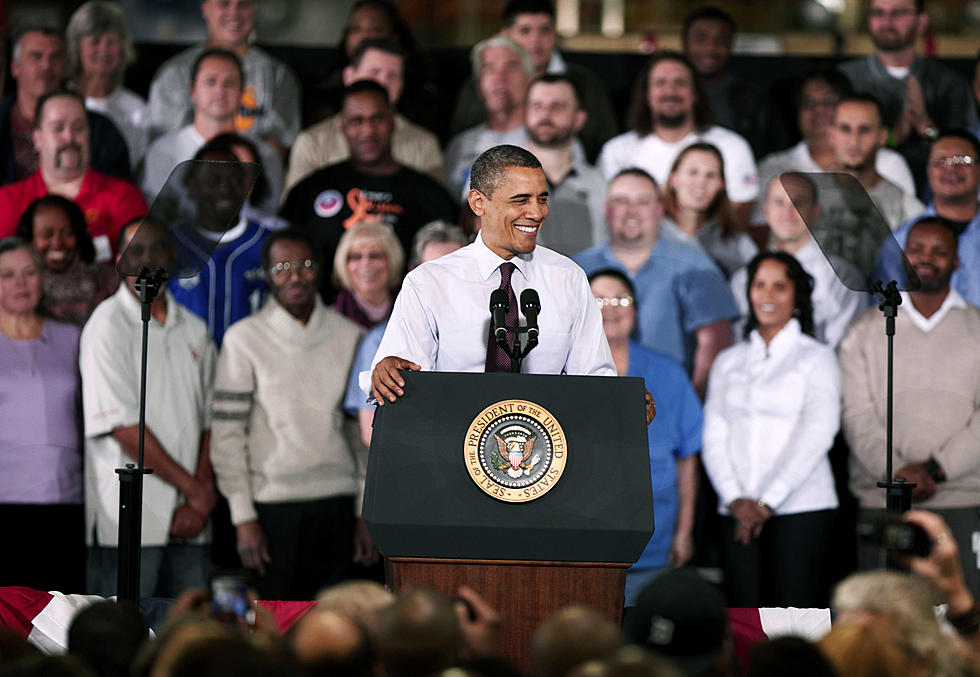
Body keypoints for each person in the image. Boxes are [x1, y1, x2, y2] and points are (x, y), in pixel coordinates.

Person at [367, 145, 619, 406]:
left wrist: (622, 403)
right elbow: (401, 379)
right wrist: (387, 374)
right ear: (478, 203)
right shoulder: (428, 283)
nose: (537, 212)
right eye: (521, 200)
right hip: (451, 439)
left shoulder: (569, 278)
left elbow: (595, 380)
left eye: (542, 199)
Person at [211, 228, 365, 600]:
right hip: (270, 508)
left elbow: (361, 435)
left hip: (339, 505)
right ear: (266, 275)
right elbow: (227, 436)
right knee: (273, 633)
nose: (294, 275)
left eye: (304, 265)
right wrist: (242, 516)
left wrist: (365, 510)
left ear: (319, 270)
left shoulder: (352, 336)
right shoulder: (243, 339)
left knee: (335, 633)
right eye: (282, 267)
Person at [842, 217, 980, 595]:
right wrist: (899, 473)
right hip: (882, 500)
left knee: (962, 622)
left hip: (962, 500)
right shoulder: (866, 330)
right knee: (883, 626)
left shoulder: (977, 327)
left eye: (939, 251)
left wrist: (936, 468)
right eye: (917, 249)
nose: (926, 258)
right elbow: (857, 415)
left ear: (956, 262)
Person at [81, 218, 217, 598]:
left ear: (173, 257)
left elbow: (211, 419)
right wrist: (195, 490)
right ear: (120, 259)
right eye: (135, 249)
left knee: (189, 641)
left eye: (157, 247)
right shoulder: (106, 325)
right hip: (127, 524)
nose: (147, 258)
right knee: (123, 640)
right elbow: (122, 426)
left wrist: (200, 494)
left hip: (193, 522)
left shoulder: (194, 328)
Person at [701, 252, 840, 607]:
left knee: (796, 617)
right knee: (744, 616)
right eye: (760, 285)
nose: (768, 295)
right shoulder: (728, 361)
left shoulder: (816, 357)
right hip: (735, 509)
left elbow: (819, 432)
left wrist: (766, 503)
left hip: (801, 508)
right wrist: (735, 499)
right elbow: (714, 434)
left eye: (779, 286)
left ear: (797, 295)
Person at [280, 81, 456, 303]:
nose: (368, 130)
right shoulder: (311, 189)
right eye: (357, 121)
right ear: (342, 126)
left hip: (409, 319)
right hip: (325, 317)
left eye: (377, 119)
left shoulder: (430, 194)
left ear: (393, 122)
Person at [588, 269, 702, 605]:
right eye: (599, 300)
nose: (611, 308)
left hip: (656, 540)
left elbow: (687, 462)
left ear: (635, 309)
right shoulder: (566, 371)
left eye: (621, 299)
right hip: (587, 540)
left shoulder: (668, 372)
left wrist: (684, 533)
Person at [573, 168, 737, 399]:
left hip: (669, 403)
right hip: (590, 402)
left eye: (643, 202)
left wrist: (690, 403)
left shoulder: (695, 264)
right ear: (606, 209)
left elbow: (716, 340)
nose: (632, 212)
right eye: (621, 201)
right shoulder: (575, 269)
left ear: (660, 210)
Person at [0, 237, 85, 592]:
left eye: (29, 272)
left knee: (62, 611)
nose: (20, 283)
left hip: (66, 502)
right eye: (7, 274)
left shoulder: (73, 337)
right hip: (6, 504)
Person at [596, 51, 758, 229]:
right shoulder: (617, 151)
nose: (670, 91)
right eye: (661, 83)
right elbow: (606, 217)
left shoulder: (732, 146)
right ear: (647, 94)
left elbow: (737, 221)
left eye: (680, 83)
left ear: (696, 94)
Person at [344, 220, 468, 448]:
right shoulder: (381, 339)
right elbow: (371, 432)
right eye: (434, 270)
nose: (446, 282)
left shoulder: (489, 332)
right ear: (414, 273)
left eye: (455, 269)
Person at [839, 0, 979, 197]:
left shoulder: (950, 85)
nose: (886, 22)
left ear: (921, 22)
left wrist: (927, 127)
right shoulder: (844, 80)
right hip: (860, 193)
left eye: (898, 13)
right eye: (878, 13)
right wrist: (891, 138)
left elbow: (968, 155)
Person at [450, 0, 617, 164]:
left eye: (544, 30)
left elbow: (604, 141)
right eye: (525, 31)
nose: (535, 41)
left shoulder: (584, 82)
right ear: (506, 34)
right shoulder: (483, 84)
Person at [0, 89, 147, 261]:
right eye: (58, 128)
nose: (69, 137)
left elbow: (144, 268)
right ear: (37, 138)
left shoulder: (123, 196)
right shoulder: (7, 201)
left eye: (78, 128)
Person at [755, 69, 916, 225]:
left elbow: (908, 232)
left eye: (827, 101)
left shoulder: (888, 163)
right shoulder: (773, 167)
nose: (818, 110)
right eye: (808, 102)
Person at [284, 39, 444, 196]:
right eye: (373, 72)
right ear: (349, 77)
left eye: (393, 76)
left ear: (402, 85)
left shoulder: (424, 145)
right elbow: (293, 213)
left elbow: (438, 215)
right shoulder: (312, 143)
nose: (382, 82)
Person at [146, 0, 301, 158]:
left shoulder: (278, 75)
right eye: (224, 4)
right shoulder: (173, 73)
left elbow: (279, 146)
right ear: (206, 9)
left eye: (243, 5)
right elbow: (163, 147)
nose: (234, 13)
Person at [141, 48, 283, 211]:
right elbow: (157, 216)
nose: (220, 91)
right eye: (211, 81)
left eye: (229, 83)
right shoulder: (162, 151)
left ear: (242, 93)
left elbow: (269, 214)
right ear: (192, 91)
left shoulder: (266, 155)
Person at [730, 176, 863, 348]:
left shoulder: (841, 277)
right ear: (766, 211)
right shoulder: (742, 278)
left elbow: (845, 349)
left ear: (815, 212)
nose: (788, 212)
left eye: (798, 203)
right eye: (779, 202)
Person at [0, 19, 131, 185]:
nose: (46, 65)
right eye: (36, 56)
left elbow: (118, 194)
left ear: (65, 66)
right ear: (15, 67)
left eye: (55, 57)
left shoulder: (101, 132)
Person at [167, 143, 270, 346]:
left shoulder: (269, 243)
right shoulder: (168, 242)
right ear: (192, 187)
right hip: (185, 362)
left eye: (233, 180)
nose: (224, 189)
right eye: (213, 181)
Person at [876, 130, 980, 307]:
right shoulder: (901, 241)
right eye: (940, 161)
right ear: (929, 171)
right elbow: (886, 312)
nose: (951, 169)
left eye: (963, 160)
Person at [681, 5, 785, 159]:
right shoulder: (664, 94)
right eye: (701, 38)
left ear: (731, 45)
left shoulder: (752, 100)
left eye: (721, 40)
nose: (710, 47)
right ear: (684, 42)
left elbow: (771, 157)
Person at [523, 73, 607, 256]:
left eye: (557, 106)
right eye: (537, 106)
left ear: (579, 119)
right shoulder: (499, 179)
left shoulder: (602, 185)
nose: (545, 114)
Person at [445, 36, 534, 196]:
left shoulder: (548, 142)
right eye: (489, 69)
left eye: (511, 67)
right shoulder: (460, 146)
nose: (499, 77)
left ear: (530, 80)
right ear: (479, 86)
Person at [66, 1, 147, 173]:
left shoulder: (137, 109)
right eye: (95, 41)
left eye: (111, 42)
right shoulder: (59, 101)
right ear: (77, 48)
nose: (104, 50)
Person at [14, 194, 117, 326]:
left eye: (67, 233)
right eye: (47, 235)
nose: (57, 243)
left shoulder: (106, 281)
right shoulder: (18, 286)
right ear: (30, 239)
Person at [825, 94, 923, 231]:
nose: (854, 141)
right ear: (831, 135)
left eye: (864, 130)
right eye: (845, 129)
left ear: (882, 136)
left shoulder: (908, 210)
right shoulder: (802, 199)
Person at [660, 142, 757, 278]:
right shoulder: (648, 234)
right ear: (674, 179)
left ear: (721, 185)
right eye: (693, 172)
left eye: (711, 175)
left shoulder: (739, 243)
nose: (701, 182)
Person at [332, 220, 404, 330]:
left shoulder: (410, 307)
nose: (366, 264)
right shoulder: (332, 318)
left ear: (392, 259)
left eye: (375, 256)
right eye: (356, 257)